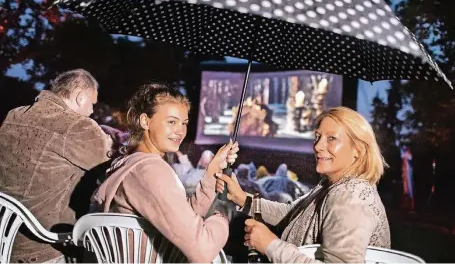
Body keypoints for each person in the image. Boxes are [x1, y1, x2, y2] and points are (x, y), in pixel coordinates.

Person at [218, 106, 391, 263]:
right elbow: (293, 215)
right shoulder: (332, 184)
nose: (318, 146)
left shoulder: (350, 198)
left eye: (331, 138)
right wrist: (241, 197)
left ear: (358, 150)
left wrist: (271, 245)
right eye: (318, 137)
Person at [91, 83, 239, 263]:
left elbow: (177, 216)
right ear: (146, 121)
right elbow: (202, 250)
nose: (180, 131)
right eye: (171, 122)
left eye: (184, 123)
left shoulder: (130, 162)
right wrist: (221, 219)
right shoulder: (150, 171)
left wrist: (212, 171)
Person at [0, 69, 112, 263]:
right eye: (92, 104)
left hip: (5, 235)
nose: (93, 111)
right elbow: (109, 167)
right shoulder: (79, 126)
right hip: (42, 245)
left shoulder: (15, 114)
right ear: (80, 97)